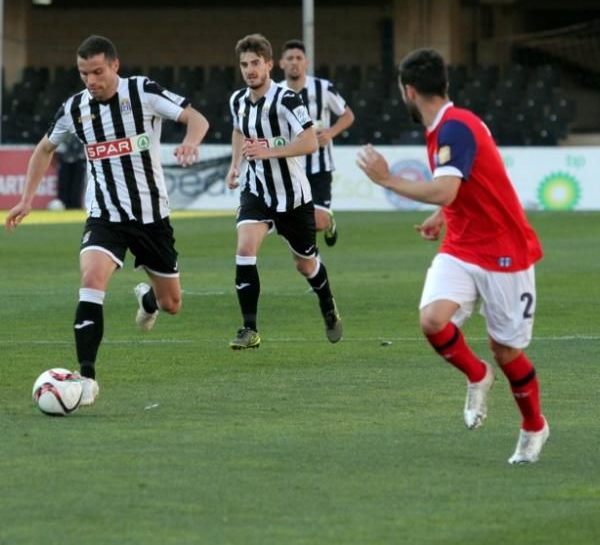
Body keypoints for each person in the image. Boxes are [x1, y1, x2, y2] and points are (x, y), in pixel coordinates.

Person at [356, 48, 547, 464]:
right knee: (432, 320)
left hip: (502, 250)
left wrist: (388, 179)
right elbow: (464, 186)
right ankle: (477, 375)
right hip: (462, 244)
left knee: (506, 351)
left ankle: (534, 426)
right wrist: (442, 214)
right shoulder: (450, 125)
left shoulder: (455, 127)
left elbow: (447, 188)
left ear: (409, 91)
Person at [5, 35, 209, 406]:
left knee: (172, 304)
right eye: (84, 73)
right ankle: (86, 378)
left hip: (151, 218)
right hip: (105, 216)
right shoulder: (74, 109)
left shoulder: (142, 92)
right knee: (91, 278)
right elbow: (44, 148)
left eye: (98, 72)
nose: (91, 81)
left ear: (115, 66)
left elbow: (196, 118)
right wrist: (26, 198)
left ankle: (148, 300)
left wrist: (191, 141)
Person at [225, 34, 343, 351]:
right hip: (256, 191)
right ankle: (249, 329)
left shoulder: (287, 99)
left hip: (292, 198)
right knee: (245, 250)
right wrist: (235, 165)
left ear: (269, 65)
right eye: (244, 64)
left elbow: (309, 141)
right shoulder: (238, 100)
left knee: (305, 264)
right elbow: (238, 129)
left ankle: (328, 305)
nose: (249, 70)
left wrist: (269, 152)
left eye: (255, 64)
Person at [279, 40, 355, 247]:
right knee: (294, 220)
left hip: (319, 166)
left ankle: (329, 223)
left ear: (306, 63)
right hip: (289, 167)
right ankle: (309, 256)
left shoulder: (323, 88)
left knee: (318, 222)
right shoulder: (275, 92)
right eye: (290, 58)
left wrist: (331, 132)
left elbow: (348, 115)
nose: (294, 62)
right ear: (281, 63)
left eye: (299, 58)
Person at [55, 131, 86, 209]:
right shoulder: (64, 125)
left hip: (80, 158)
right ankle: (62, 204)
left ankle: (75, 205)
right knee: (63, 183)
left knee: (77, 184)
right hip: (64, 158)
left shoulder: (83, 126)